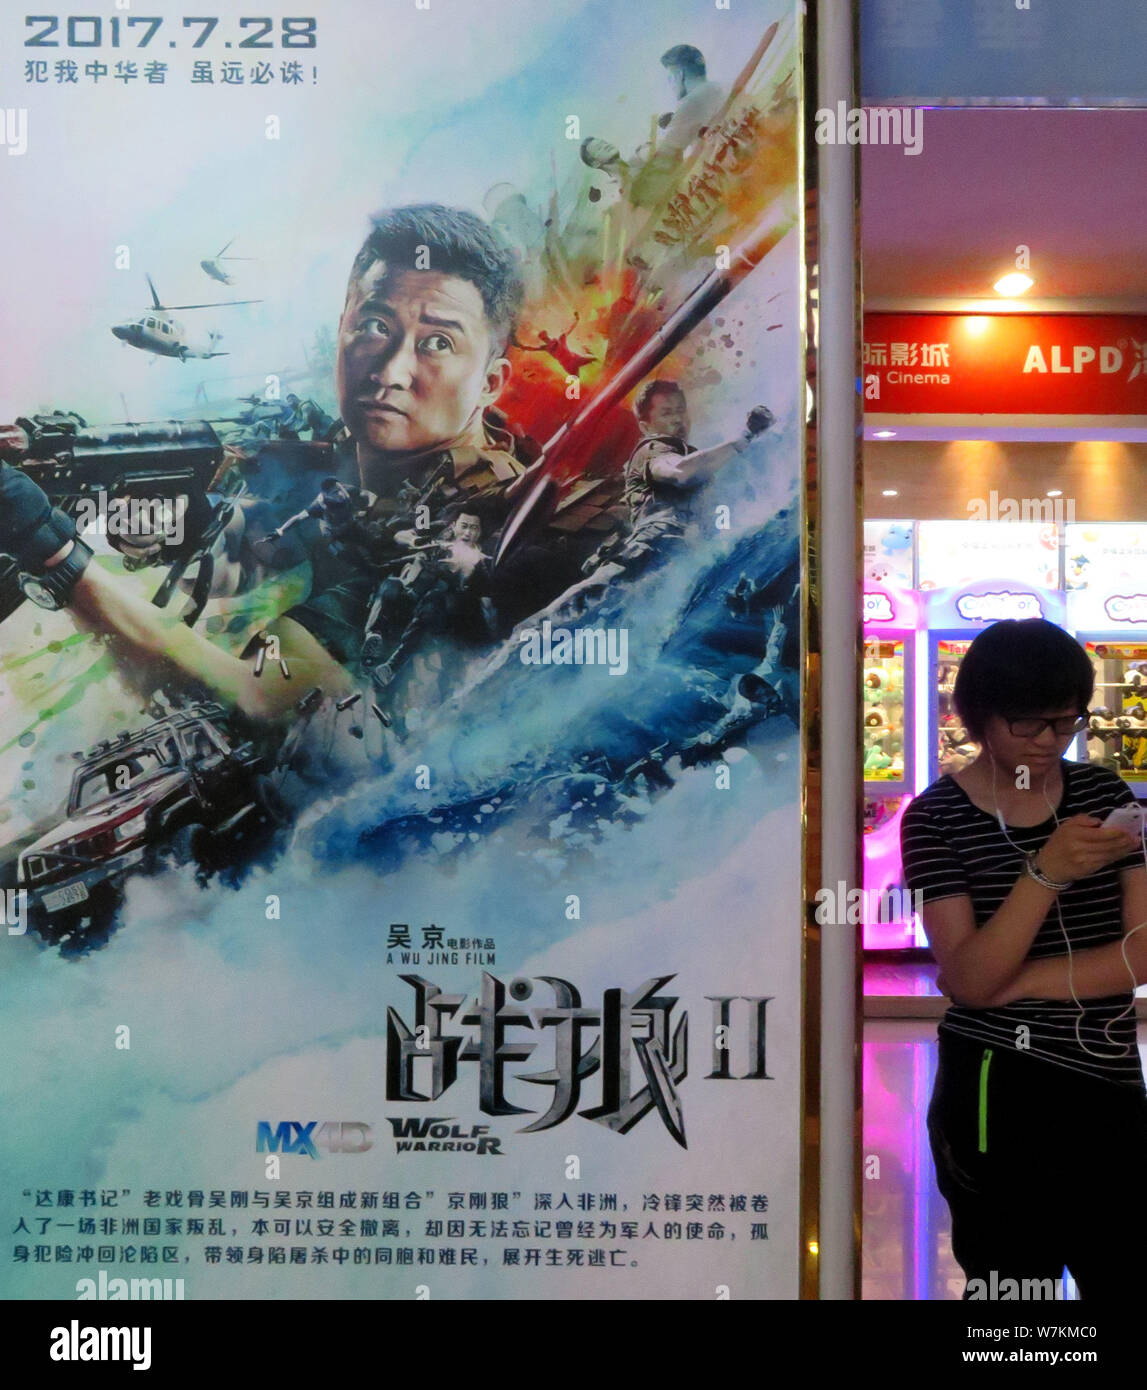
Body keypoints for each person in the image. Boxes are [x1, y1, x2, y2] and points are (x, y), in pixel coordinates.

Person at [0, 205, 532, 723]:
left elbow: (259, 703)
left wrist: (53, 551)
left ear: (490, 382)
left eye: (437, 343)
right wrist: (148, 517)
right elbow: (261, 539)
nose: (390, 369)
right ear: (342, 325)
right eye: (373, 325)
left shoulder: (471, 530)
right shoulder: (364, 465)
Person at [900, 618, 1147, 1300]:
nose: (1045, 743)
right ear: (975, 716)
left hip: (1107, 1078)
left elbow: (1138, 955)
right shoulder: (935, 817)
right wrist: (1043, 874)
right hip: (993, 1085)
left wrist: (1010, 986)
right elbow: (969, 977)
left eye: (1063, 724)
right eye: (1025, 724)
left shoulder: (1104, 798)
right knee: (1014, 1290)